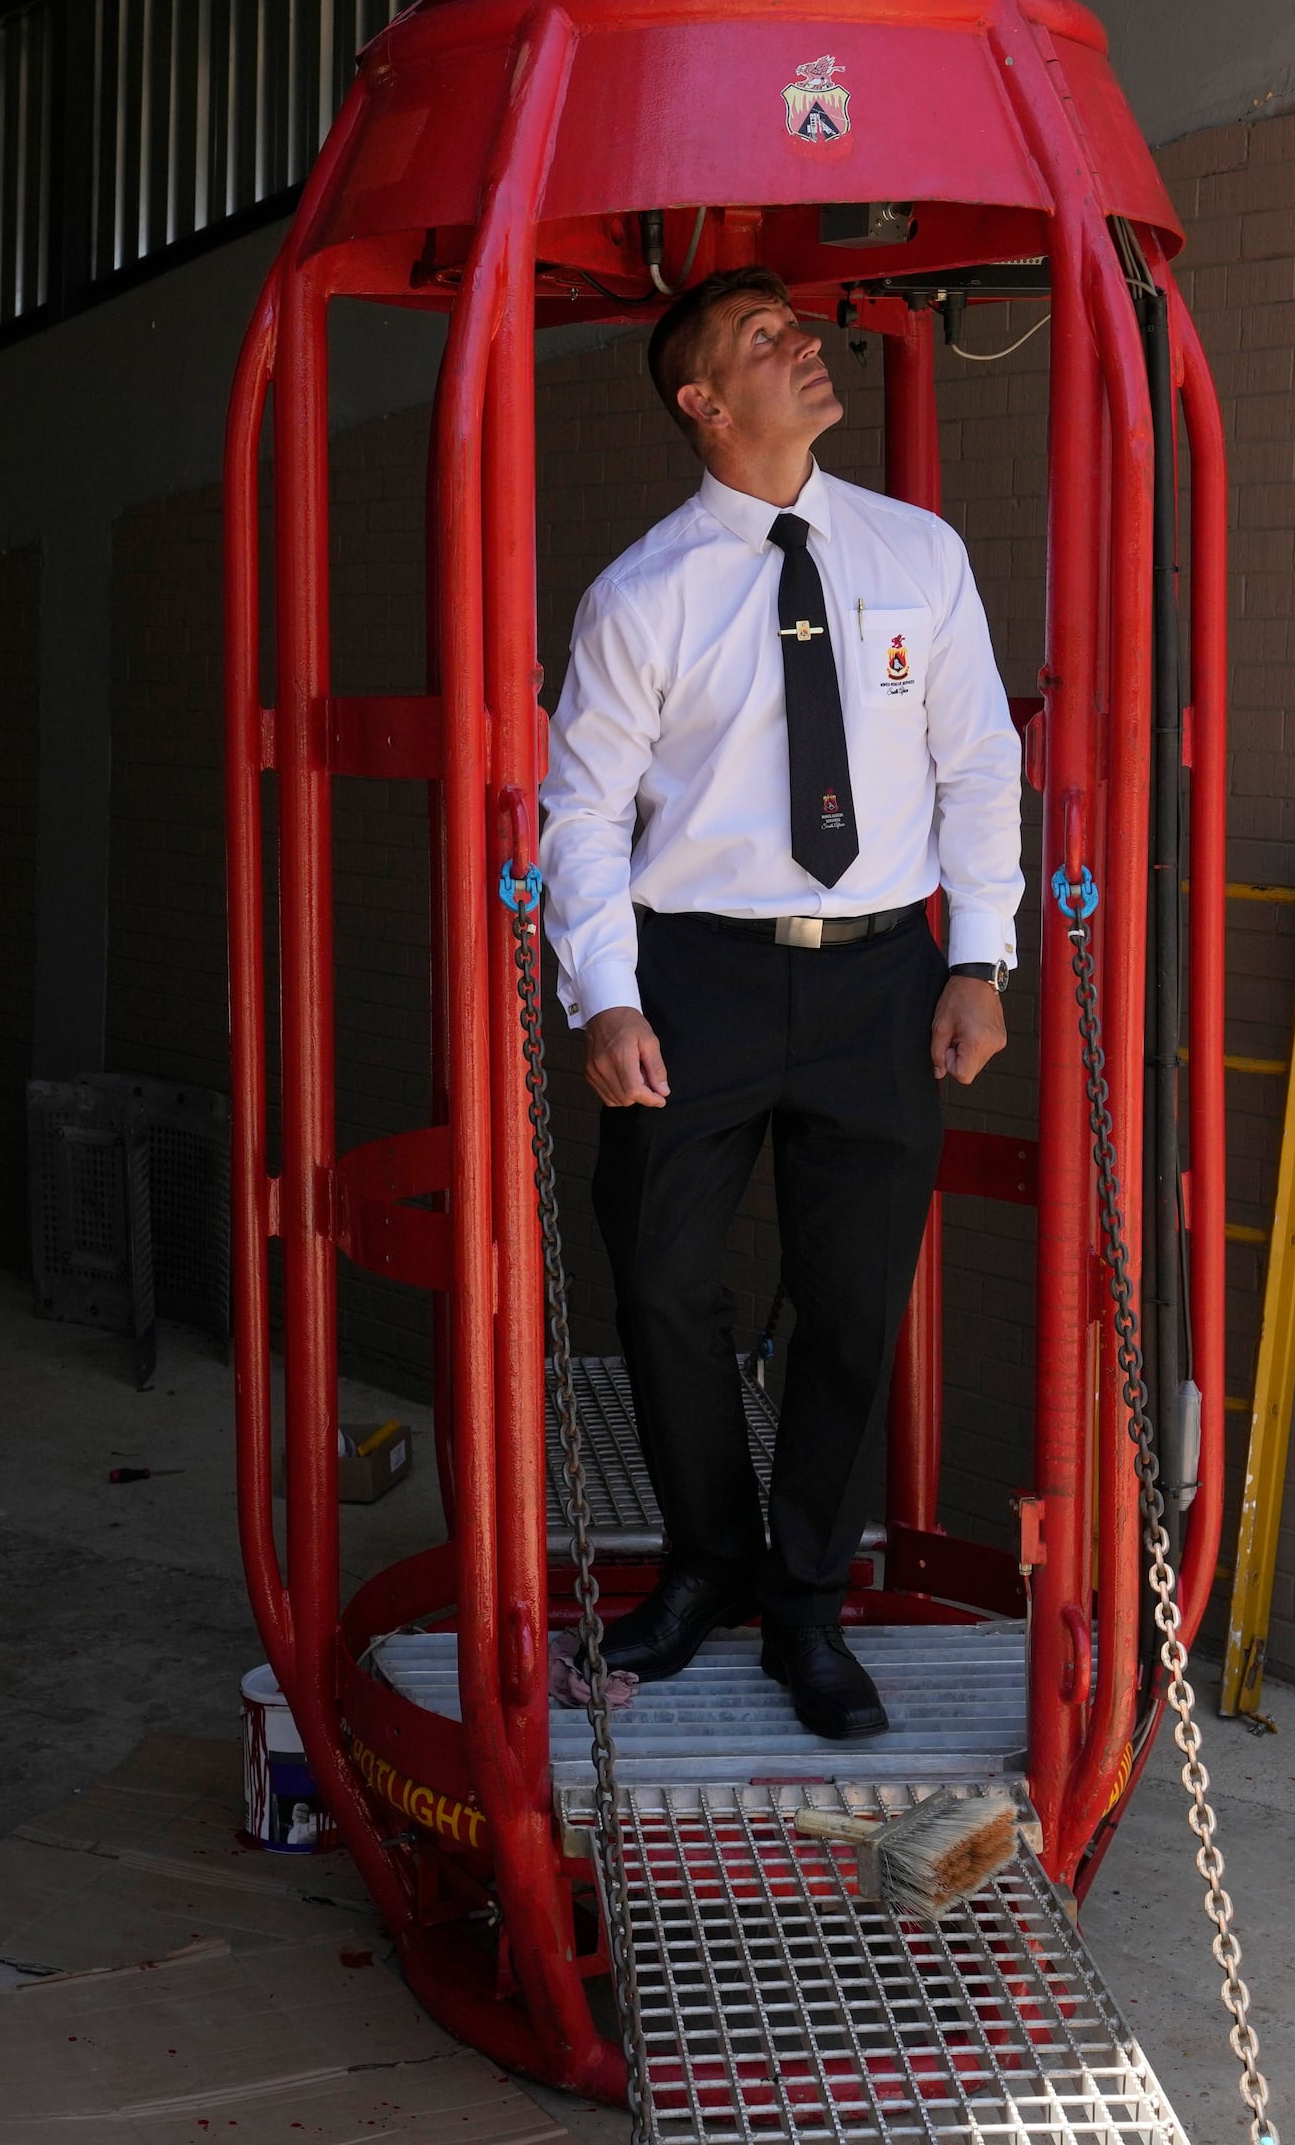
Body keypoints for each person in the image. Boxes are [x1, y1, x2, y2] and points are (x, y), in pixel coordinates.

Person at [539, 267, 1023, 1741]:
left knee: (855, 1305)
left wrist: (977, 959)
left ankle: (807, 1604)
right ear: (703, 401)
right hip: (698, 979)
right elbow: (580, 813)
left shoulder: (916, 555)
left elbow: (980, 766)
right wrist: (607, 998)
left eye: (797, 329)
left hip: (881, 972)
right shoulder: (643, 594)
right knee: (664, 1281)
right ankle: (704, 1567)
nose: (805, 347)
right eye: (766, 339)